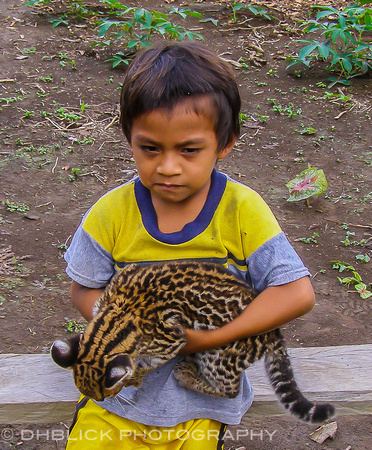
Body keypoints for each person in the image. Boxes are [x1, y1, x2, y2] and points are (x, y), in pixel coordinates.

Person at [64, 41, 315, 449]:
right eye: (149, 148)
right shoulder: (111, 213)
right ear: (128, 136)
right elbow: (83, 288)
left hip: (201, 400)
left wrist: (210, 338)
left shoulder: (242, 210)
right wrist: (127, 331)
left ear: (226, 142)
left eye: (189, 150)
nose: (167, 166)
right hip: (120, 391)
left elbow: (296, 293)